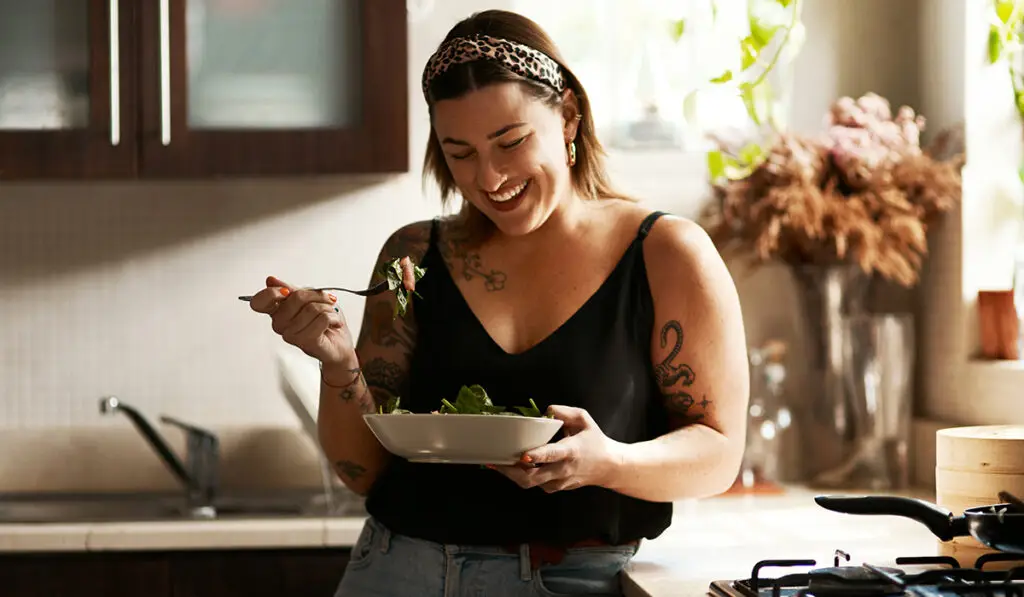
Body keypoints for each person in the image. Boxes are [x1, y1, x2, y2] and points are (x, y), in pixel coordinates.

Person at [247, 9, 750, 597]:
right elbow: (361, 471)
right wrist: (338, 363)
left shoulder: (665, 254)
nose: (488, 178)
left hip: (572, 580)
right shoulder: (414, 255)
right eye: (459, 153)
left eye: (510, 142)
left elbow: (718, 453)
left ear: (567, 116)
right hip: (394, 570)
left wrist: (603, 462)